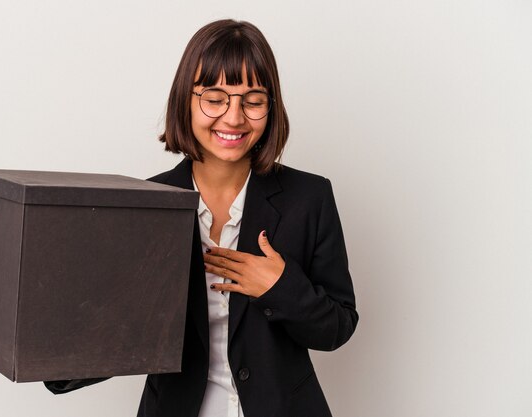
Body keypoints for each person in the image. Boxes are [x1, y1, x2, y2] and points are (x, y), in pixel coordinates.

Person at [46, 19, 358, 417]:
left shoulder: (309, 198)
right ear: (186, 101)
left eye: (253, 100)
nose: (234, 118)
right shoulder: (144, 205)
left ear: (271, 106)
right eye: (215, 98)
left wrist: (279, 287)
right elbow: (115, 329)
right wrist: (56, 355)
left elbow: (338, 326)